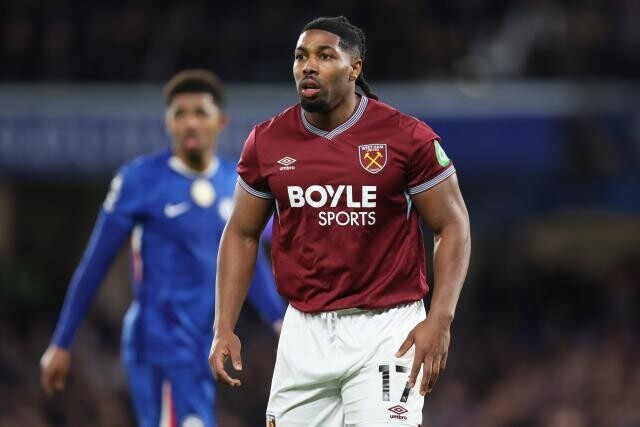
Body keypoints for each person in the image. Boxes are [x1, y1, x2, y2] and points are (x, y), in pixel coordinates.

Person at [209, 16, 471, 426]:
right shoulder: (267, 141)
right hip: (304, 332)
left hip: (387, 330)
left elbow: (452, 226)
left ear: (354, 68)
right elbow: (241, 233)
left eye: (325, 56)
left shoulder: (407, 137)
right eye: (301, 57)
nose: (308, 66)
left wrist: (440, 318)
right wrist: (223, 325)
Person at [40, 69, 286, 427]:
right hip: (156, 340)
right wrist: (61, 343)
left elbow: (249, 263)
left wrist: (279, 321)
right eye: (180, 114)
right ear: (168, 122)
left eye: (200, 113)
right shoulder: (139, 180)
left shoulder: (236, 183)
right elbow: (94, 265)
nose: (190, 123)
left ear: (220, 121)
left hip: (203, 343)